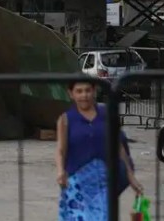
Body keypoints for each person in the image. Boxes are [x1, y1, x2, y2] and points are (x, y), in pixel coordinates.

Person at [56, 80, 143, 220]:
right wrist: (60, 171)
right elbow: (61, 150)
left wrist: (130, 175)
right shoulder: (65, 119)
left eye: (87, 90)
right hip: (77, 182)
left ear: (94, 91)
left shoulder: (107, 115)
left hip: (104, 180)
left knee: (104, 216)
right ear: (71, 94)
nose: (84, 95)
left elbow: (118, 147)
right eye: (79, 91)